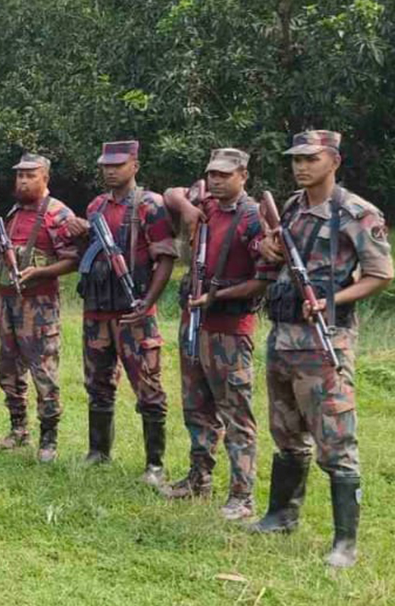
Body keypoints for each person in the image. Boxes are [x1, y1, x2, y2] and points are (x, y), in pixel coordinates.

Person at [250, 130, 391, 568]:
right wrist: (267, 246)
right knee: (285, 430)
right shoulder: (292, 207)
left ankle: (345, 542)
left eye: (311, 158)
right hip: (283, 336)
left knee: (335, 438)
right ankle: (281, 515)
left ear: (334, 161)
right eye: (296, 159)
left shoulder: (356, 213)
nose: (301, 166)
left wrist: (332, 300)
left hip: (324, 339)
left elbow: (380, 274)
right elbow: (275, 252)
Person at [161, 148, 271, 520]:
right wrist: (187, 208)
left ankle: (242, 496)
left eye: (225, 174)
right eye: (212, 174)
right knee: (196, 406)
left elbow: (263, 280)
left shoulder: (252, 218)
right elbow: (171, 194)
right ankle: (198, 479)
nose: (217, 180)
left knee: (236, 413)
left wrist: (217, 296)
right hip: (195, 324)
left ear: (243, 176)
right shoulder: (205, 204)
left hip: (229, 331)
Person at [72, 140, 176, 486]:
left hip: (134, 314)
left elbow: (166, 258)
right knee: (97, 383)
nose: (110, 170)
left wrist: (147, 302)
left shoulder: (150, 205)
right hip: (97, 311)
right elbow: (86, 255)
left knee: (148, 386)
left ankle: (155, 464)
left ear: (135, 165)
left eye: (117, 165)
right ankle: (98, 452)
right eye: (106, 165)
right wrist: (80, 235)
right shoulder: (96, 206)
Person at [0, 153, 80, 462]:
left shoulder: (58, 214)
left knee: (43, 371)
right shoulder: (15, 211)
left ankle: (48, 439)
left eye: (31, 175)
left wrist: (40, 272)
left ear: (45, 178)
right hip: (6, 301)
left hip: (39, 304)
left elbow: (73, 260)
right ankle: (18, 429)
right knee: (8, 369)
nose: (23, 181)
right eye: (20, 175)